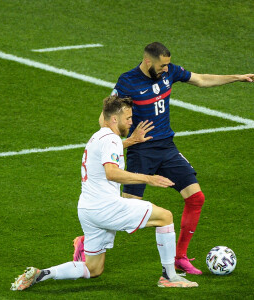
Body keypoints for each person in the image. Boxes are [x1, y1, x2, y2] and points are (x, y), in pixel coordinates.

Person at [73, 42, 254, 275]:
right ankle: (86, 242)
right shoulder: (127, 81)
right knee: (128, 212)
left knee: (196, 198)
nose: (166, 69)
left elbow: (200, 79)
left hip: (167, 148)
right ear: (148, 61)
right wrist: (126, 139)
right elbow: (104, 120)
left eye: (168, 65)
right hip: (142, 152)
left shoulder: (170, 72)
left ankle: (180, 257)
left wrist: (237, 77)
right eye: (162, 65)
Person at [11, 96, 199, 291]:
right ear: (115, 119)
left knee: (93, 269)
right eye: (128, 118)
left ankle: (43, 274)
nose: (131, 121)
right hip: (106, 207)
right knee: (165, 217)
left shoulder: (98, 137)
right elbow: (111, 173)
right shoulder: (111, 139)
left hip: (87, 210)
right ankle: (169, 276)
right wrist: (149, 178)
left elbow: (111, 149)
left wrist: (132, 140)